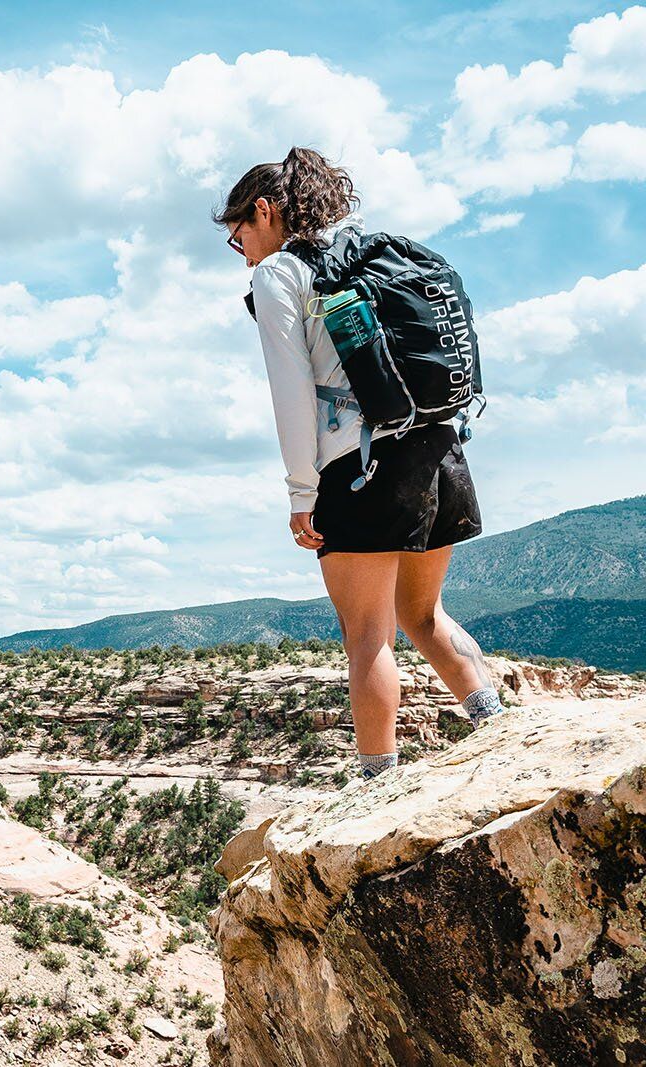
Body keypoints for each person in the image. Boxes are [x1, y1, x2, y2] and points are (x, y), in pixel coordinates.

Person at [213, 146, 505, 781]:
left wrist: (300, 493)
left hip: (360, 465)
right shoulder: (369, 255)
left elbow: (289, 394)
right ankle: (504, 733)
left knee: (368, 633)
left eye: (239, 239)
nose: (245, 255)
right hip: (438, 445)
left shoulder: (279, 275)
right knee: (422, 615)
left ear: (264, 211)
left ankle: (376, 784)